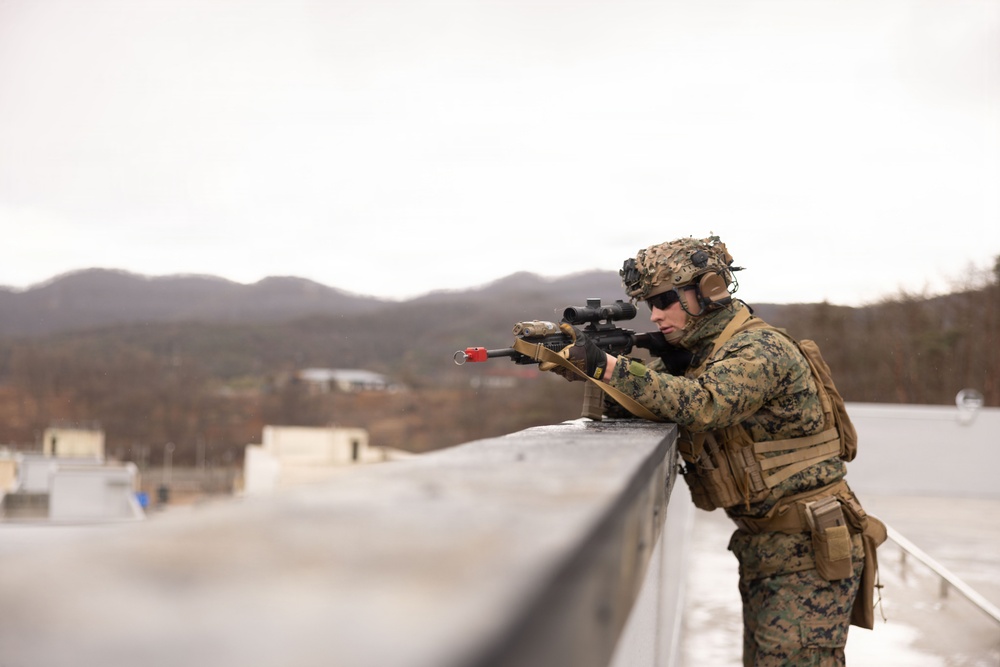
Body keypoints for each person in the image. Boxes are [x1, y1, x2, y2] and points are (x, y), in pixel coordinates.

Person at [542, 235, 883, 667]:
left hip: (807, 546)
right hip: (770, 546)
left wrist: (609, 366)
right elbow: (651, 401)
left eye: (665, 299)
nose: (656, 314)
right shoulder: (703, 356)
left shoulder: (760, 349)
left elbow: (704, 405)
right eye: (650, 303)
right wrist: (585, 371)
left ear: (708, 290)